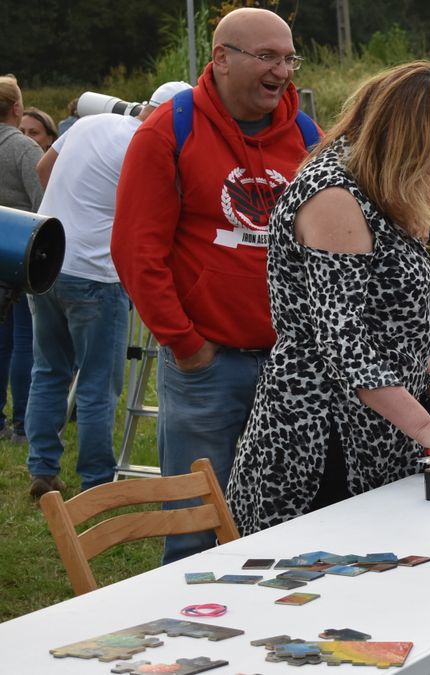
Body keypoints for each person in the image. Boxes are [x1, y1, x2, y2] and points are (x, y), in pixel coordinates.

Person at [225, 61, 430, 535]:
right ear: (401, 137)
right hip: (321, 436)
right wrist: (427, 428)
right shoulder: (333, 197)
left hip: (380, 424)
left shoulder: (378, 189)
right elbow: (344, 341)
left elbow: (393, 317)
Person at [112, 8, 316, 563]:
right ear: (221, 59)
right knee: (194, 527)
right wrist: (186, 344)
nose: (282, 71)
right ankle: (186, 635)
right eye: (267, 57)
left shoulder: (305, 134)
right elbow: (136, 251)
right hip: (207, 365)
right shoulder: (168, 131)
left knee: (281, 513)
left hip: (288, 364)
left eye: (289, 58)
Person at [25, 81, 191, 500]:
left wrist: (70, 214)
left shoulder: (89, 123)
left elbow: (44, 169)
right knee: (98, 383)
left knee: (48, 371)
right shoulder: (149, 148)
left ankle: (42, 470)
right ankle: (96, 481)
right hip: (97, 276)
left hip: (45, 260)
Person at [0, 74, 42, 450]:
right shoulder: (24, 149)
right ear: (17, 108)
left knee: (2, 341)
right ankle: (23, 422)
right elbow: (44, 202)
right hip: (20, 254)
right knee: (25, 340)